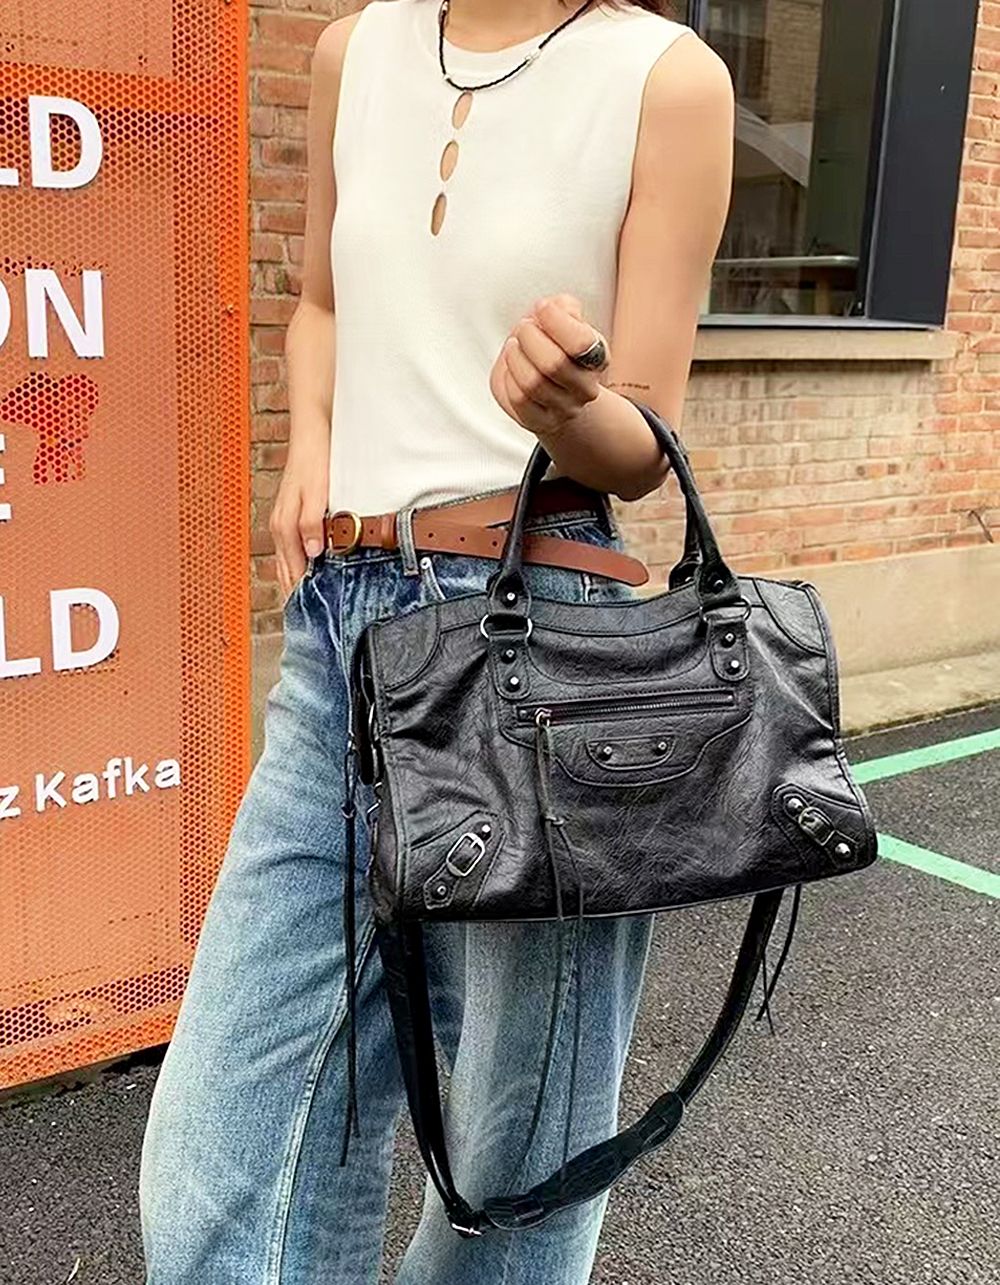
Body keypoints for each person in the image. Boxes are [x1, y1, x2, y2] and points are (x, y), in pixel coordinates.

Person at [137, 1, 734, 1280]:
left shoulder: (666, 79)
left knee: (522, 1159)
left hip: (543, 653)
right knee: (219, 1167)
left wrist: (565, 409)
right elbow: (320, 303)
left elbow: (643, 443)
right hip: (339, 639)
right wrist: (308, 443)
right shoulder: (353, 51)